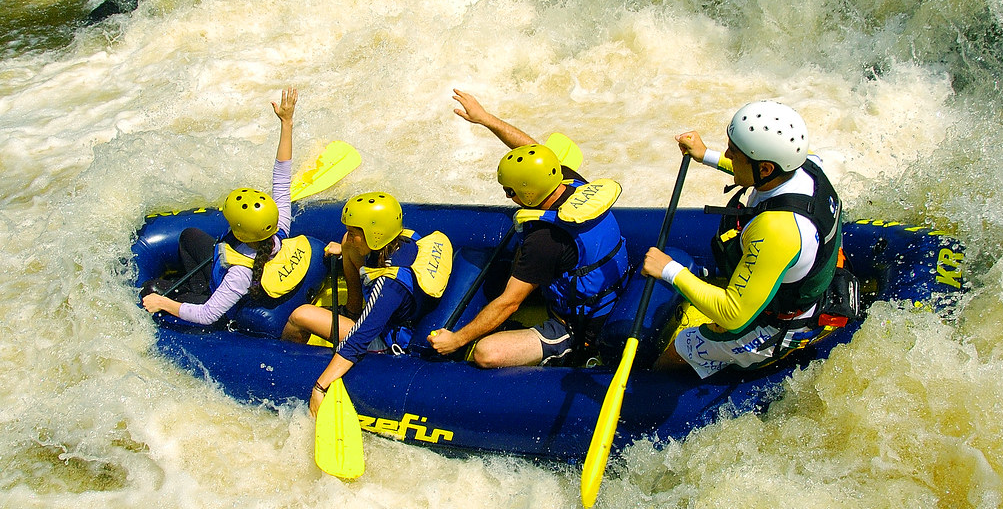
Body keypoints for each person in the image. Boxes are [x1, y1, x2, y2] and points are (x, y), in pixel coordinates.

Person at [427, 89, 630, 368]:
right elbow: (533, 151)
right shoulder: (570, 182)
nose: (507, 197)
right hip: (608, 286)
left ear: (529, 192)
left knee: (486, 353)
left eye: (510, 191)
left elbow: (509, 303)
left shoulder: (545, 240)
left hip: (579, 325)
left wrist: (457, 339)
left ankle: (569, 353)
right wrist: (486, 119)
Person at [643, 100, 843, 378]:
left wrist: (669, 270)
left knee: (680, 348)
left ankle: (649, 391)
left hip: (783, 325)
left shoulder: (777, 230)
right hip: (798, 284)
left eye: (733, 153)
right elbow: (752, 168)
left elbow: (733, 315)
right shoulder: (808, 164)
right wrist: (706, 155)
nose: (728, 153)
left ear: (765, 170)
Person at [142, 86, 303, 324]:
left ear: (240, 230)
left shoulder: (241, 274)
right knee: (189, 237)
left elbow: (207, 315)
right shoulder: (278, 227)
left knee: (152, 288)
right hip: (220, 271)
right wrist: (286, 123)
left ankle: (200, 291)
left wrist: (163, 303)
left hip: (217, 298)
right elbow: (282, 177)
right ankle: (197, 285)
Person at [282, 192, 452, 415]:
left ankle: (283, 362)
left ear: (375, 234)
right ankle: (352, 309)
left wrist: (319, 387)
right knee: (345, 245)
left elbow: (358, 341)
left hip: (385, 338)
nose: (350, 237)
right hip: (386, 312)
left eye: (355, 234)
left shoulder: (388, 286)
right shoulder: (405, 239)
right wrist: (345, 249)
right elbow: (352, 247)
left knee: (300, 316)